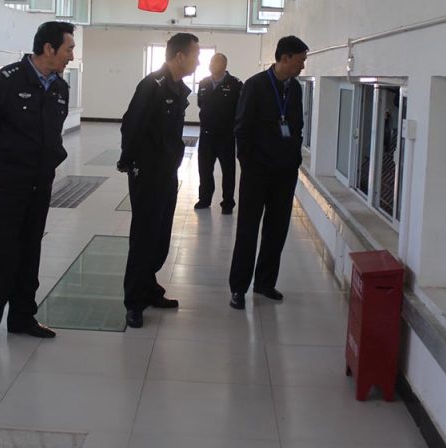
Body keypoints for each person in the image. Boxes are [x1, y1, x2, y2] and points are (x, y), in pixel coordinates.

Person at [0, 21, 75, 349]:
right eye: (69, 48)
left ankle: (22, 317)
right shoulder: (6, 80)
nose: (71, 55)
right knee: (0, 250)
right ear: (49, 48)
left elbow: (53, 131)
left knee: (31, 248)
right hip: (8, 182)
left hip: (40, 182)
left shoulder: (59, 87)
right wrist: (0, 161)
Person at [117, 33, 200, 328]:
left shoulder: (176, 88)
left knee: (160, 235)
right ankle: (134, 302)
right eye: (195, 54)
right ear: (180, 56)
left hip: (166, 171)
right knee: (143, 236)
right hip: (148, 171)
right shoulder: (151, 85)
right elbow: (131, 125)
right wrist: (131, 163)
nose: (198, 60)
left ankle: (149, 288)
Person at [228, 35, 309, 310]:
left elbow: (296, 126)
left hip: (284, 173)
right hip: (257, 172)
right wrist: (248, 163)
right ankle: (239, 287)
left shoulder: (295, 89)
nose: (302, 67)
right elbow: (241, 128)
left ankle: (264, 282)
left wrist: (294, 158)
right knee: (248, 230)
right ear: (284, 58)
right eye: (300, 61)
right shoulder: (255, 85)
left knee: (277, 230)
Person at [194, 53, 242, 215]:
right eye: (211, 61)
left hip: (226, 136)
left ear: (224, 64)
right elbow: (201, 104)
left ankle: (228, 203)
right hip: (207, 134)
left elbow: (239, 108)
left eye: (216, 62)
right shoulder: (204, 83)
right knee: (204, 169)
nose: (212, 64)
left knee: (228, 171)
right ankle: (204, 199)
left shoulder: (235, 84)